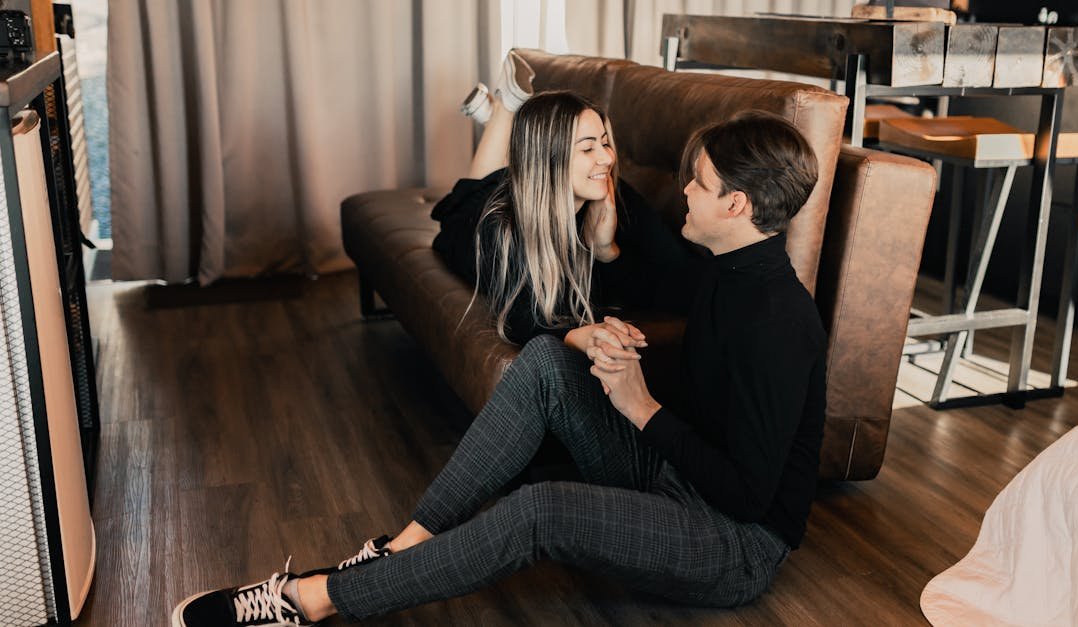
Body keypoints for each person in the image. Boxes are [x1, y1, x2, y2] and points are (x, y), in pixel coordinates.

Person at [172, 110, 827, 626]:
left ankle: (313, 598)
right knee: (546, 360)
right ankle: (402, 548)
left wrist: (641, 406)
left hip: (734, 540)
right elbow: (692, 374)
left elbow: (748, 496)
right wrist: (616, 339)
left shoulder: (778, 320)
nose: (684, 189)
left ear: (737, 206)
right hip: (676, 477)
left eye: (700, 183)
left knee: (538, 510)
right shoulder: (725, 272)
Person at [432, 51, 694, 346]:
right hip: (473, 220)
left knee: (498, 178)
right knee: (473, 192)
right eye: (588, 148)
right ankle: (505, 112)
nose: (607, 158)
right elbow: (521, 318)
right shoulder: (501, 226)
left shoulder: (614, 196)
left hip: (532, 181)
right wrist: (577, 336)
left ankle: (501, 118)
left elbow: (680, 283)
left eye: (605, 143)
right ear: (549, 161)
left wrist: (607, 251)